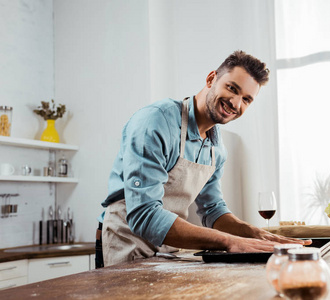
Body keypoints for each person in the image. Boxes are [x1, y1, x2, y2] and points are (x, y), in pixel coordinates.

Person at [96, 50, 310, 268]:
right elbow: (144, 214)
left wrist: (255, 234)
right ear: (211, 79)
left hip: (167, 251)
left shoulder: (216, 149)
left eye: (246, 99)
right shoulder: (156, 121)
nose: (236, 103)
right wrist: (229, 242)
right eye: (232, 88)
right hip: (126, 242)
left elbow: (213, 210)